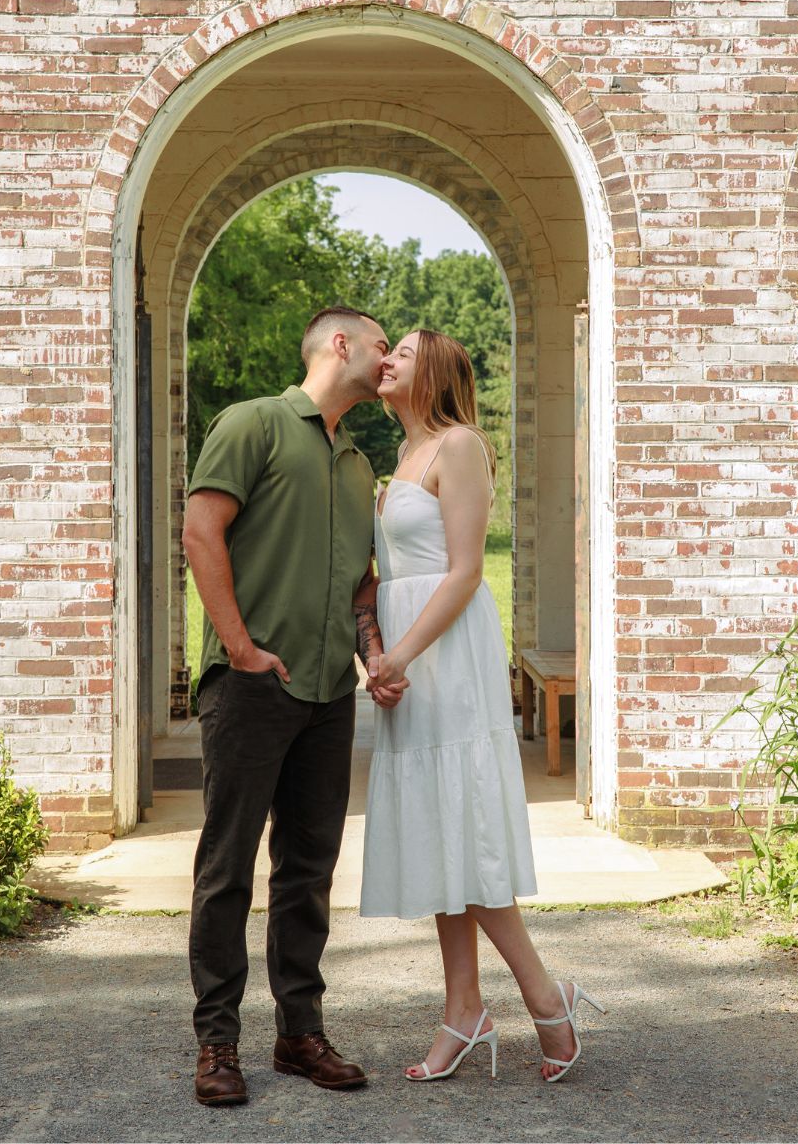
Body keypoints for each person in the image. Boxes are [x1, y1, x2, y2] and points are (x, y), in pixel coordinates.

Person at [361, 329, 606, 1085]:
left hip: (447, 656)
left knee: (464, 823)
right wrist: (376, 653)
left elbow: (466, 572)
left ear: (432, 371)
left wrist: (400, 655)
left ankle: (544, 995)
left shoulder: (460, 445)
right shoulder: (400, 456)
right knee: (439, 829)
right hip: (405, 660)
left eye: (401, 350)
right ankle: (464, 1008)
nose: (387, 359)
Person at [182, 306, 407, 1108]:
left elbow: (359, 584)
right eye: (383, 345)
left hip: (328, 694)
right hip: (250, 686)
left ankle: (297, 1033)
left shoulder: (356, 465)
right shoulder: (255, 423)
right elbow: (202, 531)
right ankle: (217, 1045)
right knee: (227, 870)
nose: (390, 361)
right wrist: (240, 648)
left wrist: (372, 653)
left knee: (309, 872)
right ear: (339, 344)